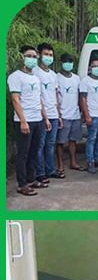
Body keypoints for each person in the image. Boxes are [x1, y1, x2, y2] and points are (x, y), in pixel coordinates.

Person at [8, 45, 49, 196]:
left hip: (38, 119)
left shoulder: (35, 78)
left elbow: (39, 100)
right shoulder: (15, 76)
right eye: (29, 56)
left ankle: (32, 180)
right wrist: (23, 121)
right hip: (25, 121)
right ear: (22, 58)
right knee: (23, 153)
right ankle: (22, 184)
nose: (32, 59)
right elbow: (15, 100)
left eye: (34, 57)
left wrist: (45, 118)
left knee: (34, 151)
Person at [33, 42, 61, 181]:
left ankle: (50, 170)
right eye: (46, 54)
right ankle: (40, 173)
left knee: (50, 145)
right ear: (39, 55)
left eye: (50, 55)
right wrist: (45, 118)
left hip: (54, 114)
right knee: (40, 146)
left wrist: (58, 114)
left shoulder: (53, 75)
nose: (48, 57)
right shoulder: (34, 73)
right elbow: (37, 97)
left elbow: (55, 95)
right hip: (41, 116)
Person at [79, 56, 98, 174]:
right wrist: (87, 115)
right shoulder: (85, 81)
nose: (97, 68)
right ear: (90, 67)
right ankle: (90, 161)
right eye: (94, 66)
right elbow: (83, 99)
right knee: (91, 139)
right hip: (93, 115)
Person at [56, 53, 83, 172]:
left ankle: (73, 162)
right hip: (63, 114)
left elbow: (79, 95)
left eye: (71, 61)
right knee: (60, 141)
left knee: (73, 140)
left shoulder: (76, 78)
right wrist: (58, 114)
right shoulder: (57, 77)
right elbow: (55, 96)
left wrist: (80, 110)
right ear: (61, 63)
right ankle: (60, 164)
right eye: (66, 61)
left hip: (75, 114)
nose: (68, 64)